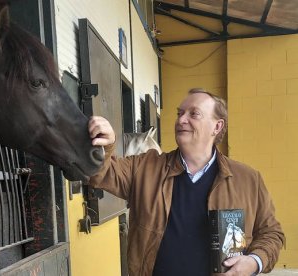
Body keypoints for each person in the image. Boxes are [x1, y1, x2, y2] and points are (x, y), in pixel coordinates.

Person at [88, 88, 285, 276]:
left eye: (194, 114)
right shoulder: (144, 168)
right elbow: (103, 173)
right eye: (179, 113)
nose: (181, 120)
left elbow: (272, 233)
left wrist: (254, 262)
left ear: (217, 126)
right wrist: (105, 147)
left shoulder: (248, 180)